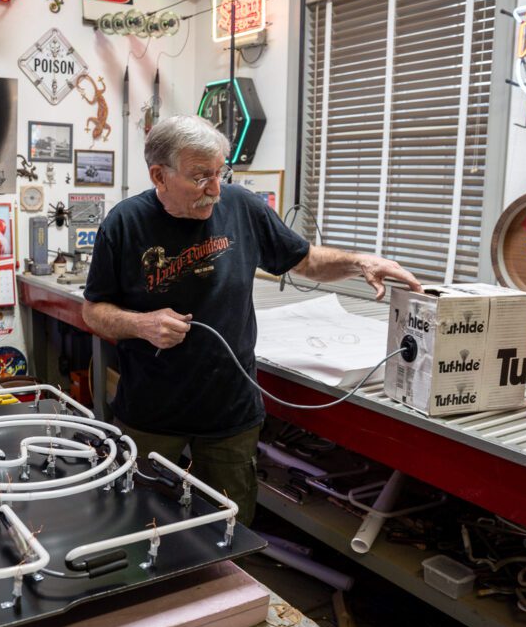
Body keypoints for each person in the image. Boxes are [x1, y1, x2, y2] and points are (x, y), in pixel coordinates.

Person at [82, 115, 421, 526]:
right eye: (200, 176)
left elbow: (307, 260)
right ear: (160, 175)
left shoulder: (242, 207)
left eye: (220, 173)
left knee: (229, 527)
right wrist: (141, 324)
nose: (215, 190)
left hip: (230, 410)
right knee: (137, 522)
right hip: (151, 411)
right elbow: (94, 310)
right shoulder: (125, 223)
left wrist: (358, 262)